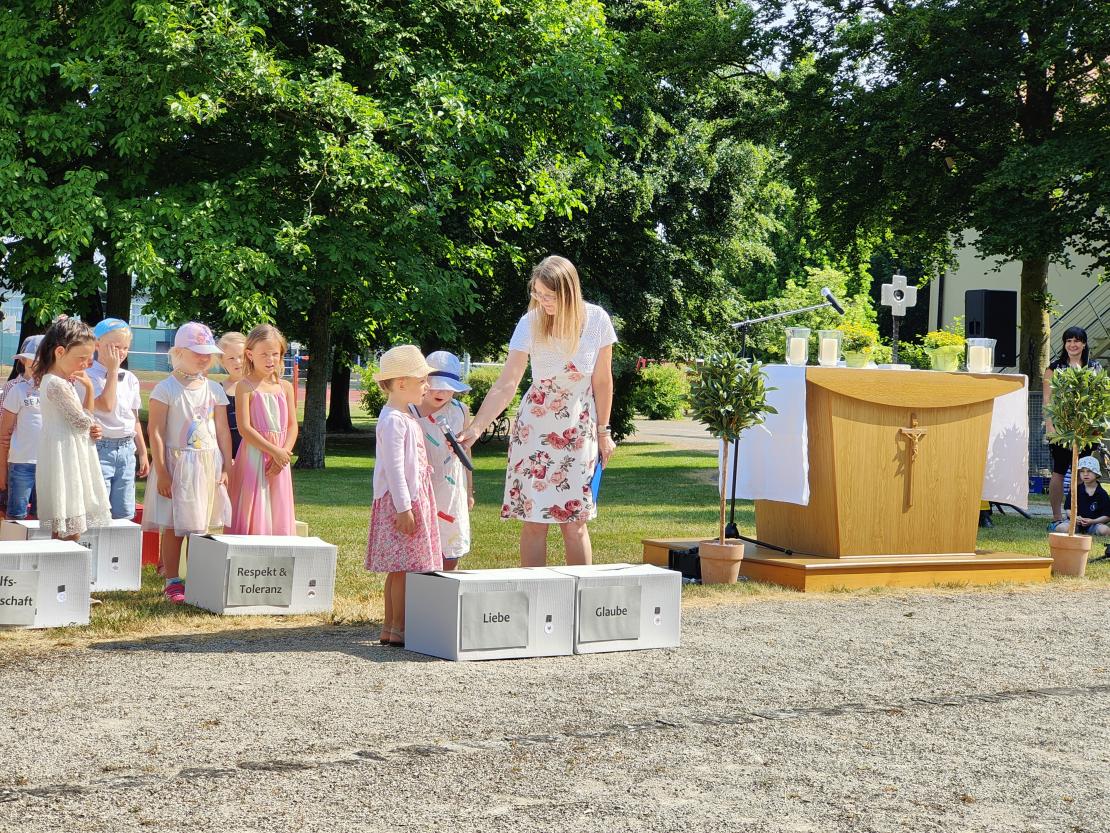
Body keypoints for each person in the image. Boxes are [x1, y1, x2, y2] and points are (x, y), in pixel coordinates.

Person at [459, 255, 617, 567]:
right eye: (537, 293)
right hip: (535, 431)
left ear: (569, 292)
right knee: (534, 522)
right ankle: (535, 604)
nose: (542, 301)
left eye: (549, 295)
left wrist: (604, 432)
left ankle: (579, 607)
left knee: (575, 522)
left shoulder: (597, 320)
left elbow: (602, 380)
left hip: (579, 430)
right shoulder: (529, 323)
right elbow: (508, 383)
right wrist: (476, 427)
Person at [144, 322, 233, 603]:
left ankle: (197, 577)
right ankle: (172, 580)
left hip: (206, 465)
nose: (205, 358)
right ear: (179, 352)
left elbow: (221, 430)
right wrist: (162, 471)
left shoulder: (214, 390)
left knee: (201, 524)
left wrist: (226, 466)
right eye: (198, 352)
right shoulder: (165, 388)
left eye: (208, 353)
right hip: (177, 465)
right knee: (172, 524)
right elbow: (155, 431)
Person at [366, 345, 441, 647]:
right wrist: (404, 507)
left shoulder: (403, 414)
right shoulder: (394, 420)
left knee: (400, 570)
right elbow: (396, 468)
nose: (427, 386)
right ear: (400, 384)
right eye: (422, 380)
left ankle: (391, 627)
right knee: (405, 569)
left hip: (409, 498)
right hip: (402, 501)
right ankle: (399, 627)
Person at [32, 319, 111, 539]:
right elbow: (82, 421)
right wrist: (90, 391)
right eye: (82, 358)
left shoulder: (62, 381)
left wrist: (86, 394)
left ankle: (67, 567)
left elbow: (81, 421)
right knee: (70, 520)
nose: (86, 364)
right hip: (65, 455)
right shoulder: (56, 384)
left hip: (68, 450)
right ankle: (66, 568)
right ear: (60, 352)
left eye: (89, 359)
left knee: (70, 521)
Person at [227, 324, 297, 535]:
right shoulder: (245, 386)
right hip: (254, 456)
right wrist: (274, 452)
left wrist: (283, 454)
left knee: (277, 506)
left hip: (280, 459)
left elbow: (292, 425)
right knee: (253, 503)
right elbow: (245, 428)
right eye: (264, 354)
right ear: (250, 354)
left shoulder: (285, 387)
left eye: (275, 354)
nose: (270, 359)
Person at [412, 351, 473, 570]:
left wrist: (470, 490)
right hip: (421, 486)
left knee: (450, 546)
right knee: (419, 548)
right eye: (436, 385)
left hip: (452, 488)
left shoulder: (460, 410)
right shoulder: (410, 410)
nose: (442, 392)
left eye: (449, 387)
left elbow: (466, 452)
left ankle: (445, 592)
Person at [88, 319, 149, 520]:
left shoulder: (130, 378)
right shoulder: (87, 375)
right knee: (99, 511)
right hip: (100, 448)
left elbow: (134, 418)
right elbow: (105, 405)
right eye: (115, 347)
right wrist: (113, 371)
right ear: (97, 344)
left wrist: (141, 452)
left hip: (125, 449)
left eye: (125, 348)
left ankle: (120, 551)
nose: (120, 353)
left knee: (124, 512)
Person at [1043, 326, 1103, 527]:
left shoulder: (1095, 368)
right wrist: (1050, 427)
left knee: (1081, 472)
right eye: (1069, 341)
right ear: (1064, 344)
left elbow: (1099, 399)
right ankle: (1056, 518)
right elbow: (1047, 400)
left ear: (1084, 344)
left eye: (1077, 341)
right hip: (1062, 429)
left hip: (1087, 430)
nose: (1073, 345)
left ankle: (1076, 517)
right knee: (1059, 471)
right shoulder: (1054, 368)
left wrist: (1097, 427)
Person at [0, 336, 44, 521]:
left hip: (46, 460)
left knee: (43, 513)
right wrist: (2, 470)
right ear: (23, 360)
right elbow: (4, 433)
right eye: (32, 358)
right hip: (20, 459)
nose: (36, 363)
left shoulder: (55, 387)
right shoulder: (12, 388)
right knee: (15, 513)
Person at [1050, 456, 1110, 538]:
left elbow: (1107, 516)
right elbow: (1068, 509)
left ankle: (1089, 531)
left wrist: (1092, 521)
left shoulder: (1102, 494)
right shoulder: (1075, 490)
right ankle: (1057, 525)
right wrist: (1074, 517)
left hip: (1094, 524)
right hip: (1075, 522)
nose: (1085, 474)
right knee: (1062, 528)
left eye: (1089, 471)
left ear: (1096, 473)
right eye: (1082, 471)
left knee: (1105, 530)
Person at [218, 331, 247, 458]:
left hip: (253, 451)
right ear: (222, 361)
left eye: (241, 356)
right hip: (228, 452)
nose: (238, 361)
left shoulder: (257, 387)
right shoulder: (218, 389)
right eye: (231, 358)